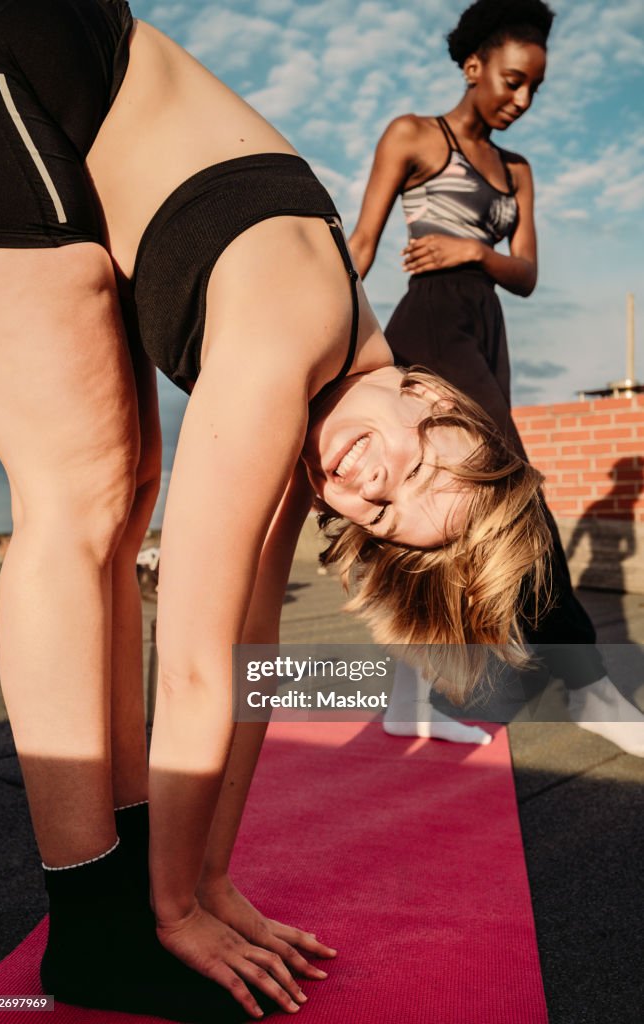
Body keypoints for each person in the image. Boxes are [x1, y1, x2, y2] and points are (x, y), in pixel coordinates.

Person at [0, 2, 549, 1022]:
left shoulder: (336, 406)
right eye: (416, 469)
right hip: (16, 48)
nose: (370, 485)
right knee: (77, 492)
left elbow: (254, 659)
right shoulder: (296, 328)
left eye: (382, 514)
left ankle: (129, 879)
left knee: (124, 490)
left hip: (54, 79)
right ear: (435, 396)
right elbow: (193, 668)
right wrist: (175, 911)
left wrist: (214, 878)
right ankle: (98, 923)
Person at [347, 0, 644, 755]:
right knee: (514, 489)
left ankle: (407, 698)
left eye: (535, 88)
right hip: (431, 326)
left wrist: (473, 252)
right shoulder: (415, 135)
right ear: (474, 65)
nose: (521, 100)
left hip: (486, 323)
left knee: (454, 501)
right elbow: (361, 246)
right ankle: (589, 686)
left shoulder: (518, 170)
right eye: (512, 80)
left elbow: (528, 274)